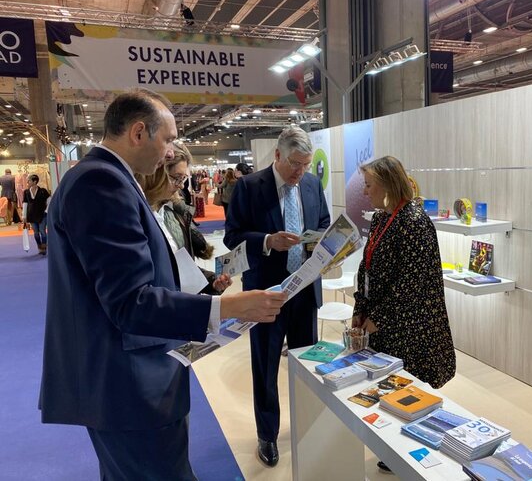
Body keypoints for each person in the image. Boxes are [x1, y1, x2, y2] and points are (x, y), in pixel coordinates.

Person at [40, 88, 287, 481]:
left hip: (131, 379)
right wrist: (229, 307)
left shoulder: (107, 178)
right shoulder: (102, 182)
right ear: (139, 132)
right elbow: (130, 302)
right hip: (128, 384)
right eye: (168, 139)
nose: (171, 151)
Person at [224, 126, 330, 467]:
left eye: (305, 164)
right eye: (294, 164)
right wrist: (268, 241)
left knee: (306, 364)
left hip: (305, 291)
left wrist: (323, 245)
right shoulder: (249, 186)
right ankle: (267, 435)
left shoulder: (312, 184)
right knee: (265, 366)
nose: (300, 171)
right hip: (266, 293)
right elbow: (232, 237)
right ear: (278, 155)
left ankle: (306, 424)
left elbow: (324, 222)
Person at [351, 156, 456, 471]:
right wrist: (360, 308)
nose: (365, 192)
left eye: (369, 185)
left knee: (409, 390)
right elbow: (367, 267)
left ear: (387, 184)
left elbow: (410, 283)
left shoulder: (414, 221)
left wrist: (378, 318)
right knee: (389, 388)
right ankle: (394, 449)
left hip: (410, 326)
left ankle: (411, 456)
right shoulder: (382, 218)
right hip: (385, 321)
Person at [136, 142, 231, 294]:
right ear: (156, 173)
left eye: (183, 179)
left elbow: (179, 266)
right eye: (177, 178)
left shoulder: (171, 213)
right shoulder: (135, 216)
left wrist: (211, 281)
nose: (181, 186)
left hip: (176, 302)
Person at [22, 174, 50, 255]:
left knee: (42, 231)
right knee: (36, 233)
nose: (28, 182)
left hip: (42, 215)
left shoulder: (43, 191)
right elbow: (25, 204)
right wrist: (24, 216)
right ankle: (39, 246)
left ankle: (44, 247)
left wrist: (46, 211)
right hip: (31, 215)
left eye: (29, 180)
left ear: (35, 182)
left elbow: (49, 200)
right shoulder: (26, 192)